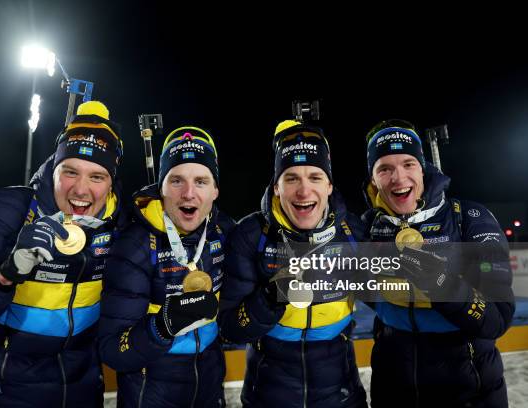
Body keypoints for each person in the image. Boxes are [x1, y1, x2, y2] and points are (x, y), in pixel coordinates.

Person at [0, 101, 127, 407]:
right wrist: (2, 276)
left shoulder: (120, 224)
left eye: (97, 177)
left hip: (82, 393)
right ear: (54, 169)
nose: (81, 191)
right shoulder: (10, 209)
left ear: (112, 183)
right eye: (70, 172)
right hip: (2, 393)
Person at [362, 119, 515, 407]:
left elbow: (498, 318)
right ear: (373, 179)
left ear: (423, 168)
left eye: (408, 164)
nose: (398, 177)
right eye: (384, 168)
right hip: (393, 387)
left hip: (469, 390)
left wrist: (440, 283)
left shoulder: (469, 218)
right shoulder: (367, 228)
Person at [218, 120, 368, 408]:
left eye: (314, 177)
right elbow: (230, 329)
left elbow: (392, 297)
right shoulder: (251, 235)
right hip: (269, 395)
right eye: (291, 178)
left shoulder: (353, 232)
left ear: (329, 185)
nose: (303, 191)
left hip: (341, 393)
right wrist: (271, 297)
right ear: (276, 187)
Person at [98, 126, 234, 407]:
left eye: (201, 181)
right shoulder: (134, 245)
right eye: (175, 181)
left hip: (209, 379)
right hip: (151, 388)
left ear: (215, 190)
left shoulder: (224, 232)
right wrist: (162, 327)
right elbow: (112, 351)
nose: (188, 193)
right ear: (160, 188)